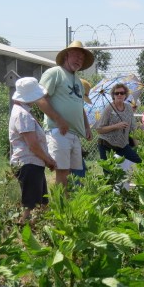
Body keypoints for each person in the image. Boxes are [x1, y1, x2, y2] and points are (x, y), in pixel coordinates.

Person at [37, 40, 94, 189]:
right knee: (61, 172)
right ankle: (60, 207)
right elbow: (40, 99)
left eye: (81, 58)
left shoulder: (78, 81)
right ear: (66, 56)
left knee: (72, 173)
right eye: (75, 56)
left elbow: (79, 106)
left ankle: (68, 206)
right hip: (58, 131)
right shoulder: (54, 73)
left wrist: (87, 127)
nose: (78, 60)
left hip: (74, 133)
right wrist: (58, 119)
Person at [9, 77, 57, 223]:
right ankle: (24, 233)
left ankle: (41, 229)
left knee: (42, 203)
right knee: (30, 206)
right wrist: (48, 160)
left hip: (33, 163)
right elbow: (33, 145)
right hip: (28, 163)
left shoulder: (23, 111)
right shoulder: (22, 115)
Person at [95, 83, 141, 183]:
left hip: (122, 144)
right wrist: (116, 126)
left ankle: (131, 184)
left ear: (125, 95)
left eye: (122, 93)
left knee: (139, 161)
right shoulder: (109, 108)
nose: (119, 95)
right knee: (108, 173)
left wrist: (138, 139)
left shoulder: (128, 108)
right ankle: (108, 194)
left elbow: (133, 127)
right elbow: (99, 129)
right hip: (106, 144)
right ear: (113, 95)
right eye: (117, 93)